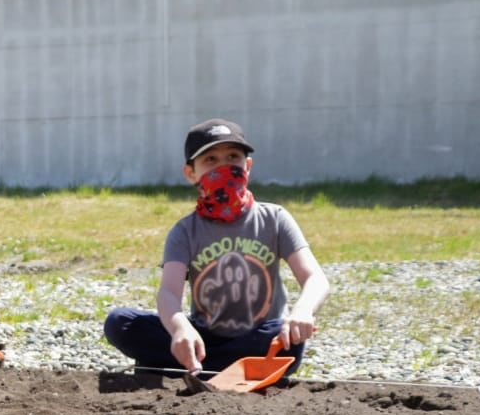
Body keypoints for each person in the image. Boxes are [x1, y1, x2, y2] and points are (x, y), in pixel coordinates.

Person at [104, 119, 330, 379]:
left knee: (289, 340)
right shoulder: (184, 232)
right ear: (191, 173)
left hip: (260, 336)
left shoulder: (275, 219)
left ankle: (190, 368)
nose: (223, 167)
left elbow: (315, 278)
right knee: (120, 322)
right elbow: (168, 292)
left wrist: (301, 311)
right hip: (202, 337)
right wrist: (180, 329)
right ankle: (216, 365)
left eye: (232, 157)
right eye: (210, 160)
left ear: (248, 165)